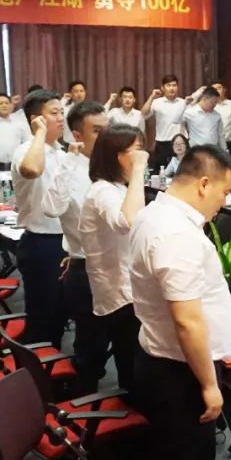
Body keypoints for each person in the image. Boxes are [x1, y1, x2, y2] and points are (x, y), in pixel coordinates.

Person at [129, 145, 231, 460]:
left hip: (160, 358)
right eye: (225, 192)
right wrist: (209, 385)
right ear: (204, 184)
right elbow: (187, 321)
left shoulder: (153, 213)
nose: (224, 202)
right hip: (180, 373)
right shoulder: (177, 233)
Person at [42, 101, 109, 395]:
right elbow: (51, 208)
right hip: (86, 270)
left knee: (125, 344)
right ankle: (84, 409)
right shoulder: (68, 168)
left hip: (119, 272)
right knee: (89, 350)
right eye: (97, 131)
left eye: (108, 129)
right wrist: (68, 163)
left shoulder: (113, 167)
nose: (106, 137)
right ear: (78, 135)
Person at [79, 124, 148, 394]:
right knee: (132, 366)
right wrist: (139, 170)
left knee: (132, 362)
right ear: (117, 155)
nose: (143, 157)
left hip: (129, 288)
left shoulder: (118, 188)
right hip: (120, 293)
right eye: (137, 151)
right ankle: (133, 413)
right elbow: (127, 221)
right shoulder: (102, 190)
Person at [11, 89, 69, 347]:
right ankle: (36, 368)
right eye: (54, 113)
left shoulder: (63, 154)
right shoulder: (25, 150)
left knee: (60, 314)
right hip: (41, 244)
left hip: (65, 243)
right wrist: (40, 134)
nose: (61, 118)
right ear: (36, 119)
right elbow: (32, 169)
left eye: (62, 112)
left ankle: (54, 365)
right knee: (41, 317)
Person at [142, 75, 187, 172]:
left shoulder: (183, 102)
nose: (172, 88)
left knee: (182, 172)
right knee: (161, 173)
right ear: (162, 88)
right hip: (163, 143)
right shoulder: (156, 102)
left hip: (180, 143)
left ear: (178, 87)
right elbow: (143, 114)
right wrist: (152, 97)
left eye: (174, 85)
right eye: (168, 85)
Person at [209, 80, 231, 161]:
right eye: (214, 89)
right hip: (212, 144)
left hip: (229, 144)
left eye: (219, 88)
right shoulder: (208, 106)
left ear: (224, 90)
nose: (216, 91)